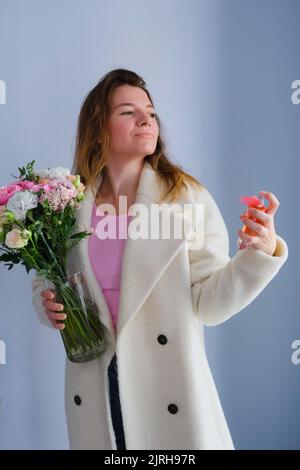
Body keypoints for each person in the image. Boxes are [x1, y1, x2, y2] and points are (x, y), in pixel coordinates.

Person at [32, 68, 288, 450]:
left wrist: (258, 254)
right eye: (127, 111)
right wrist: (45, 303)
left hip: (167, 388)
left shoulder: (186, 198)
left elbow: (210, 304)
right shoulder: (67, 204)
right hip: (96, 385)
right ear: (99, 127)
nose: (146, 119)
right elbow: (47, 275)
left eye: (150, 112)